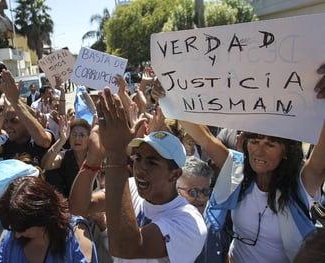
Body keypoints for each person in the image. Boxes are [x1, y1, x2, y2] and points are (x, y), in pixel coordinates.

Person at [152, 64, 325, 262]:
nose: (259, 151)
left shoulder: (300, 183)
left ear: (286, 151)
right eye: (254, 142)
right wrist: (169, 96)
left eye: (270, 145)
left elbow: (320, 162)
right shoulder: (236, 169)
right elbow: (206, 138)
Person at [69, 88, 207, 262]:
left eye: (152, 162)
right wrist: (93, 161)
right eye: (138, 158)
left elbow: (125, 248)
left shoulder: (188, 223)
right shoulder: (132, 186)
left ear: (174, 174)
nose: (140, 167)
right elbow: (79, 208)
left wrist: (116, 154)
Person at [0, 175, 97, 263]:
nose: (17, 235)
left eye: (23, 229)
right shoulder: (12, 234)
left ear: (42, 218)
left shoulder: (76, 234)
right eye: (14, 229)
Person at [0, 70, 54, 166]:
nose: (7, 126)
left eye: (14, 121)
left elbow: (44, 141)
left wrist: (16, 101)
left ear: (27, 121)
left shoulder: (43, 134)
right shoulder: (7, 142)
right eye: (6, 121)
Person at [177, 156, 230, 263]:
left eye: (205, 191)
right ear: (176, 190)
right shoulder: (162, 225)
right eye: (193, 192)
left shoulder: (215, 223)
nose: (201, 198)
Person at [41, 118, 92, 197]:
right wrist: (62, 140)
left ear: (89, 138)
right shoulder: (64, 155)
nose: (77, 139)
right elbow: (46, 165)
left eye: (82, 135)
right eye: (74, 134)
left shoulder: (94, 156)